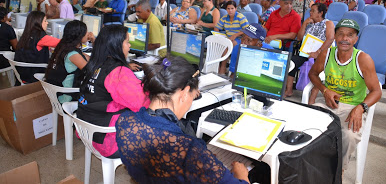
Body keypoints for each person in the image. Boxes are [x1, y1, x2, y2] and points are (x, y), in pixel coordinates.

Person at [116, 56, 250, 183]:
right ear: (185, 94)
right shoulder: (188, 149)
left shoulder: (124, 122)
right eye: (193, 96)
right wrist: (242, 175)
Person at [309, 19, 382, 170]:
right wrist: (325, 90)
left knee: (350, 136)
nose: (344, 39)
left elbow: (376, 91)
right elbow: (313, 74)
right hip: (328, 104)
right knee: (309, 122)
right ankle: (314, 166)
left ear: (356, 39)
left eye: (350, 35)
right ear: (335, 36)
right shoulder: (326, 54)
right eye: (341, 34)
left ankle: (338, 171)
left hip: (353, 107)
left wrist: (361, 107)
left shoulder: (363, 59)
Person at [77, 25, 150, 158]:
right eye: (127, 42)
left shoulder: (95, 64)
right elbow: (143, 104)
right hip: (108, 140)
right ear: (116, 46)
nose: (129, 46)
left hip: (88, 131)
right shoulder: (119, 73)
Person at [285, 3, 334, 97]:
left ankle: (312, 96)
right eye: (310, 10)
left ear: (320, 13)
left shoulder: (328, 23)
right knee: (291, 62)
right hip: (305, 53)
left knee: (316, 67)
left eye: (313, 11)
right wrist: (304, 24)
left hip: (320, 54)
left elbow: (330, 39)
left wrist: (318, 52)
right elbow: (299, 38)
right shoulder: (309, 23)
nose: (310, 12)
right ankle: (289, 90)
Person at [45, 20, 93, 103]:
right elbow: (91, 71)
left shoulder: (63, 47)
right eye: (86, 32)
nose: (88, 33)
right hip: (66, 97)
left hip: (56, 93)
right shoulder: (73, 54)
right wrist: (94, 40)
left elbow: (90, 59)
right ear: (80, 36)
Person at [15, 11, 60, 84]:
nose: (47, 23)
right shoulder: (40, 36)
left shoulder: (26, 34)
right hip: (34, 75)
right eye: (45, 21)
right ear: (38, 22)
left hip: (23, 74)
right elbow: (62, 42)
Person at [214, 0, 249, 74]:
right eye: (228, 9)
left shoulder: (240, 17)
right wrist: (217, 34)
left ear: (236, 8)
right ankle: (216, 66)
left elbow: (247, 30)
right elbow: (217, 27)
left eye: (232, 8)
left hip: (239, 39)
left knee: (228, 45)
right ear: (226, 9)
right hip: (228, 38)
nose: (230, 11)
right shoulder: (224, 17)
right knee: (217, 44)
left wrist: (235, 35)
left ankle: (222, 67)